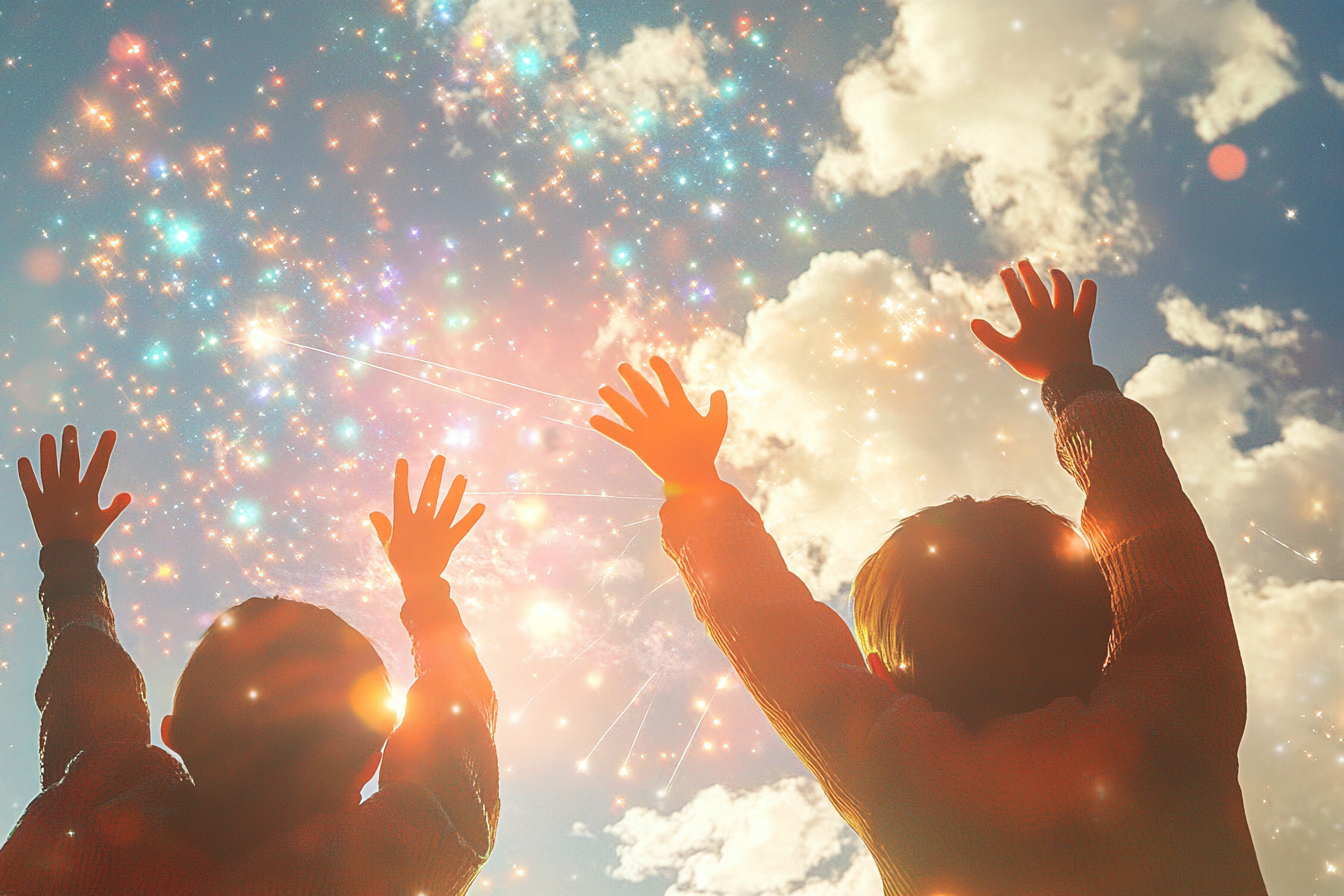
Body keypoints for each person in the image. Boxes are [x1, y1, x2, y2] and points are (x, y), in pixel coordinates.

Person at [590, 261, 1267, 895]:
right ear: (1110, 622)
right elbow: (1158, 537)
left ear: (883, 673)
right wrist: (1074, 381)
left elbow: (773, 635)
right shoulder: (1171, 713)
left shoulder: (903, 773)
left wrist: (696, 485)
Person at [0, 429, 499, 896]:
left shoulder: (102, 828)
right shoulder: (382, 864)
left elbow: (88, 698)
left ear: (174, 736)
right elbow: (453, 732)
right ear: (371, 766)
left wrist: (70, 560)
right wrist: (426, 591)